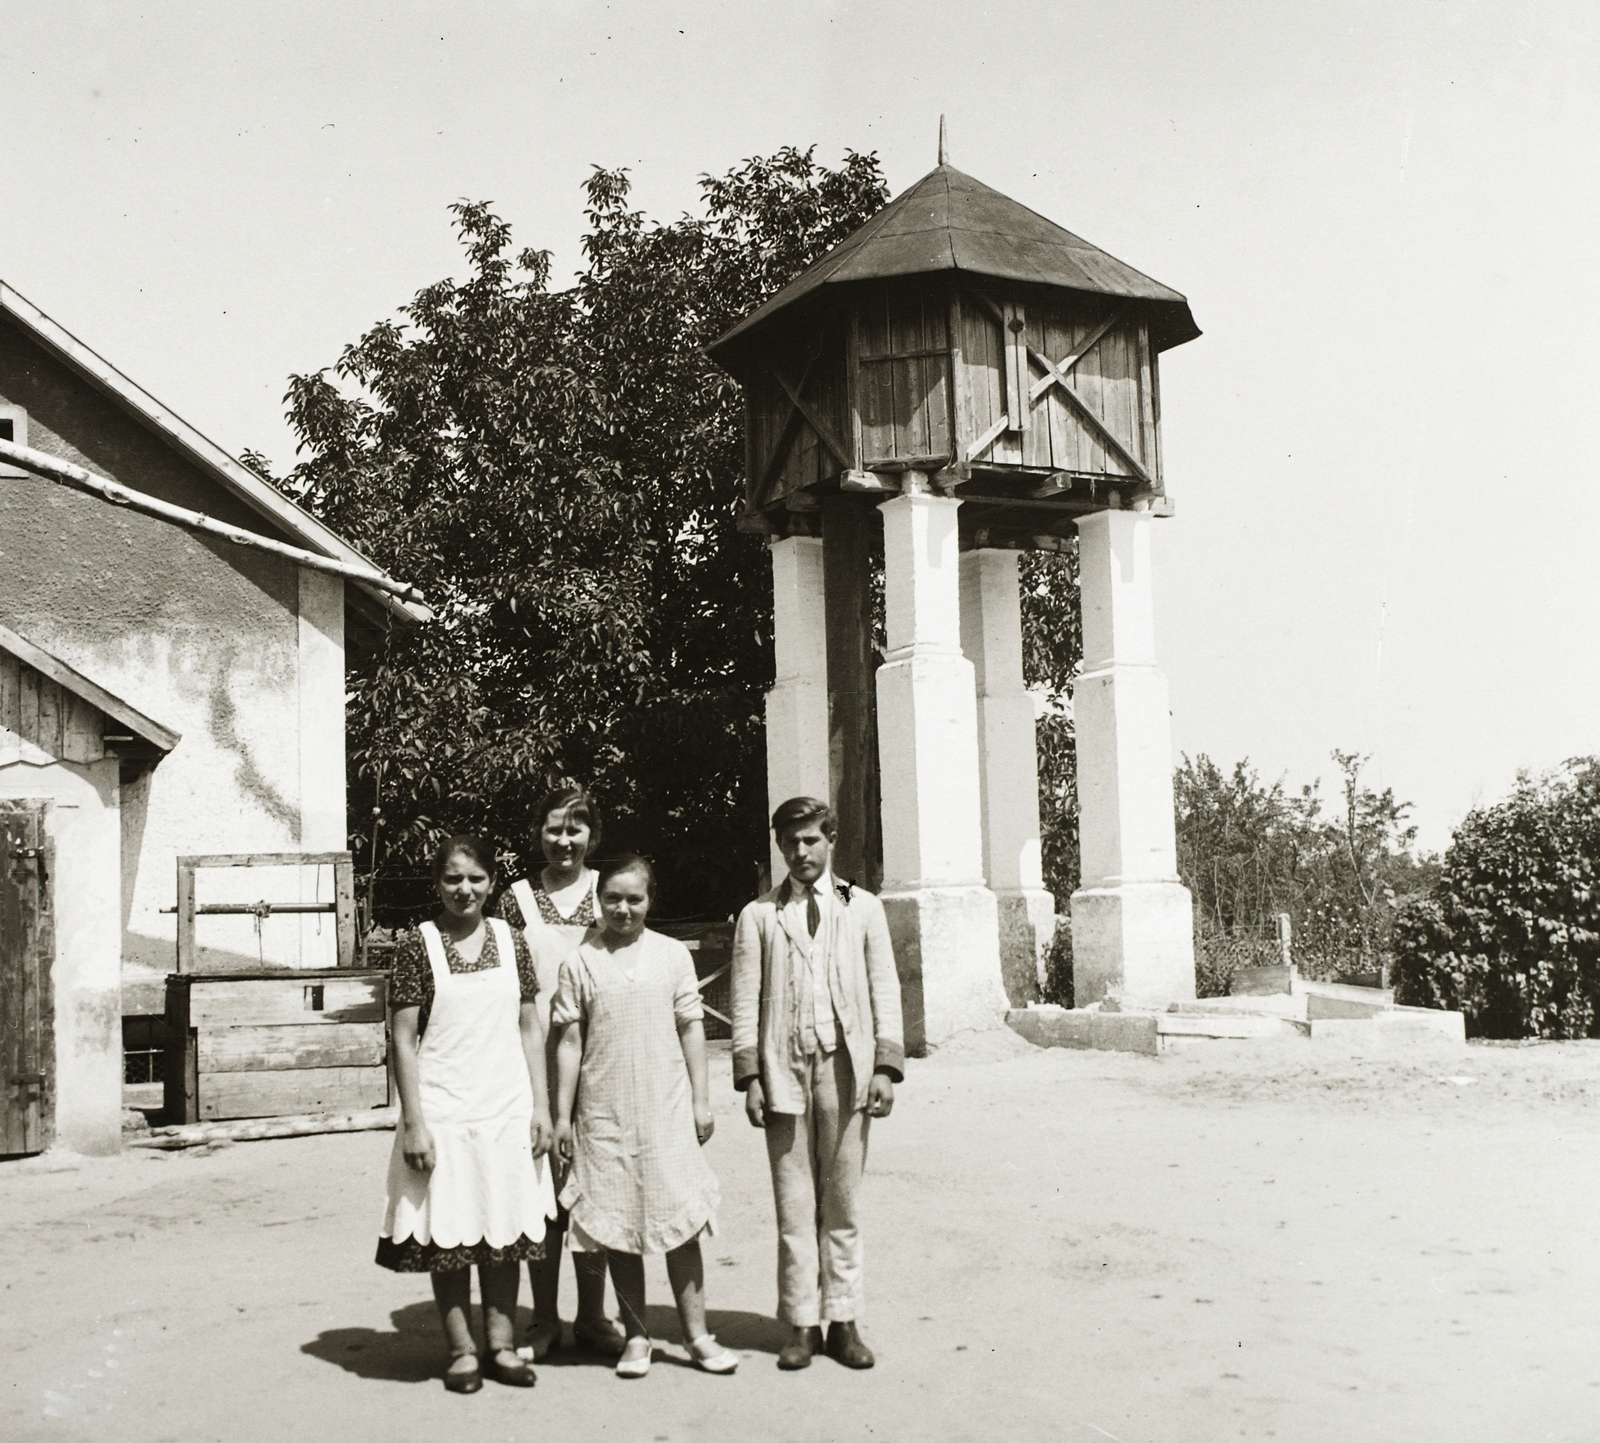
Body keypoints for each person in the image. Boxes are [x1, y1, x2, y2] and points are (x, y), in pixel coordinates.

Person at [377, 835, 556, 1394]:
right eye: (453, 879)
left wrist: (542, 1106)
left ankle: (501, 1347)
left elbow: (531, 1024)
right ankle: (461, 1351)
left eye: (476, 878)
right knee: (448, 1232)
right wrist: (415, 1121)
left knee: (503, 1228)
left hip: (506, 1106)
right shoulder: (417, 945)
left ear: (492, 882)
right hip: (445, 1109)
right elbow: (403, 1038)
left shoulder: (513, 940)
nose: (465, 890)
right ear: (437, 884)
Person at [730, 797, 904, 1371]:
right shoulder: (758, 915)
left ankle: (844, 1321)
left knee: (843, 1200)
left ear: (830, 840)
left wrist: (884, 1065)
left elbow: (884, 989)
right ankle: (802, 1323)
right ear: (779, 846)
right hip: (783, 1070)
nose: (801, 852)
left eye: (811, 840)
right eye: (790, 842)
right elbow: (744, 1000)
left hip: (846, 1068)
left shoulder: (862, 906)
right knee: (793, 1201)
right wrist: (750, 1075)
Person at [550, 853, 738, 1379]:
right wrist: (562, 1117)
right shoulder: (579, 963)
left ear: (651, 900)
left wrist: (702, 1099)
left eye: (635, 898)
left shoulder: (673, 955)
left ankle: (698, 1335)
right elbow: (568, 1040)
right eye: (612, 898)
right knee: (618, 1226)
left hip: (666, 1107)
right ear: (597, 900)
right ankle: (637, 1336)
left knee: (681, 1222)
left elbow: (691, 1028)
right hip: (604, 1114)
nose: (623, 909)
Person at [494, 785, 624, 1359]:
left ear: (592, 836)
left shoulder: (610, 891)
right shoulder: (513, 899)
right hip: (537, 1062)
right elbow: (505, 989)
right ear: (537, 834)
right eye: (553, 830)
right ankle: (544, 1319)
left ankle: (593, 1317)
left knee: (595, 1189)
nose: (563, 841)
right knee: (544, 1192)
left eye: (575, 830)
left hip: (605, 1057)